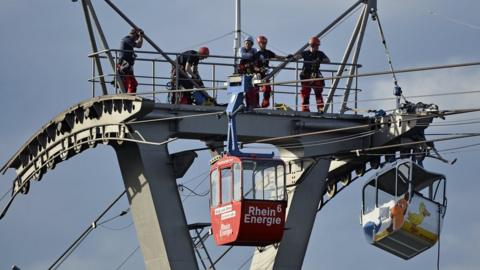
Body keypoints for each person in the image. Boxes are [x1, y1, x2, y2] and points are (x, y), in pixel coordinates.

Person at [292, 37, 330, 112]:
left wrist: (320, 60)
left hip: (315, 74)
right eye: (315, 46)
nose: (317, 47)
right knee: (305, 93)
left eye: (317, 46)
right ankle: (305, 109)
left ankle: (320, 108)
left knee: (318, 91)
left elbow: (328, 60)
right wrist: (292, 57)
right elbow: (298, 57)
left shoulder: (320, 53)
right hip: (305, 75)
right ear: (311, 45)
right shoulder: (305, 53)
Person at [251, 35, 287, 108]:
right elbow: (253, 66)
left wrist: (286, 57)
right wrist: (259, 69)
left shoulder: (268, 52)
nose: (264, 45)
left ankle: (264, 104)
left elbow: (277, 57)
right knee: (255, 90)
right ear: (259, 43)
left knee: (267, 88)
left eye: (265, 43)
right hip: (257, 75)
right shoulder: (256, 54)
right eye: (262, 43)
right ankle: (256, 105)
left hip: (265, 75)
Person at [117, 28, 144, 93]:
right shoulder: (127, 39)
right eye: (137, 37)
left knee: (132, 84)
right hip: (124, 65)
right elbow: (139, 45)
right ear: (135, 35)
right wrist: (141, 36)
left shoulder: (127, 41)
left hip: (126, 65)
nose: (137, 39)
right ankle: (125, 96)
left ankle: (128, 96)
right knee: (128, 84)